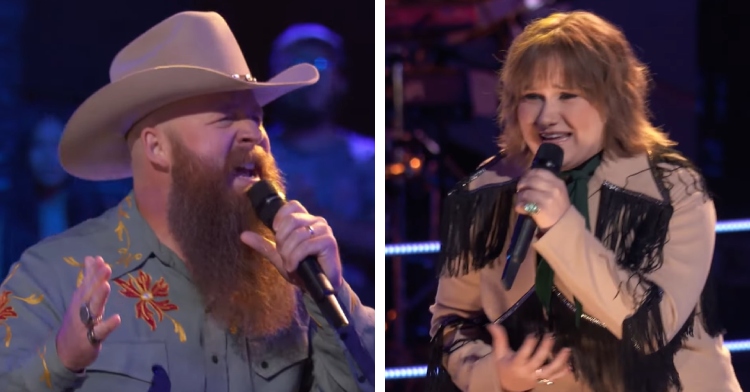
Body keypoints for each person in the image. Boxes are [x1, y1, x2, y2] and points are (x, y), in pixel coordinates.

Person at [0, 11, 374, 392]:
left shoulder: (293, 277)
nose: (254, 135)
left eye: (257, 118)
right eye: (227, 119)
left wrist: (333, 293)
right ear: (157, 147)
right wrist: (60, 362)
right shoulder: (51, 279)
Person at [426, 11, 740, 392]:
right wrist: (493, 373)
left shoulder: (672, 187)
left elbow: (650, 329)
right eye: (532, 97)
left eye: (567, 96)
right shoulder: (484, 191)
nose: (546, 117)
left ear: (613, 99)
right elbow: (451, 320)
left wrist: (561, 227)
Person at [265, 24, 375, 307]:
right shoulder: (252, 153)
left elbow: (385, 242)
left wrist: (317, 219)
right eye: (292, 64)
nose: (305, 76)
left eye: (318, 64)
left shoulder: (368, 158)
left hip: (352, 315)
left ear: (339, 79)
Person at [0, 114, 106, 278]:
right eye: (40, 145)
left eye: (57, 145)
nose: (49, 157)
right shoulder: (7, 212)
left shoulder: (94, 209)